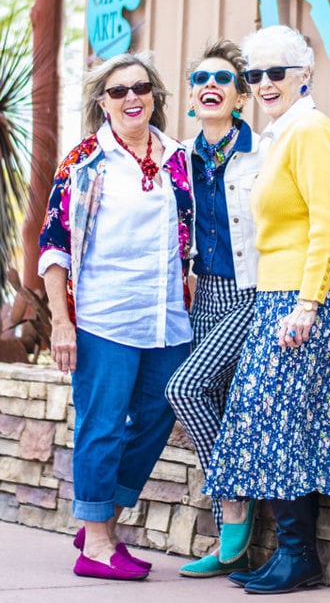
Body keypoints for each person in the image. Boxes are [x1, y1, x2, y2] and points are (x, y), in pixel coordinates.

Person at [202, 24, 330, 595]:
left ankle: (300, 557)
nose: (265, 83)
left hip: (309, 299)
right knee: (269, 421)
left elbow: (328, 222)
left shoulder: (311, 131)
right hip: (280, 296)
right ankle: (291, 555)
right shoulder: (280, 135)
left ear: (304, 75)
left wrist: (307, 303)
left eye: (277, 72)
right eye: (256, 74)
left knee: (283, 421)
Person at [38, 52, 193, 582]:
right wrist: (62, 320)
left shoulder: (177, 157)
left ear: (155, 96)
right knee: (101, 425)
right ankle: (98, 545)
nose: (132, 97)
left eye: (141, 88)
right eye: (119, 90)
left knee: (162, 410)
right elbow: (54, 247)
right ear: (102, 102)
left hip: (168, 317)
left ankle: (99, 517)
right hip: (104, 317)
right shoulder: (85, 161)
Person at [165, 39, 268, 579]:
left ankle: (233, 507)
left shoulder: (265, 150)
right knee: (220, 407)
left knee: (184, 388)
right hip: (204, 294)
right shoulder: (178, 158)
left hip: (252, 293)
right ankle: (232, 545)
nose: (210, 85)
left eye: (223, 78)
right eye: (201, 78)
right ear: (191, 94)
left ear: (241, 95)